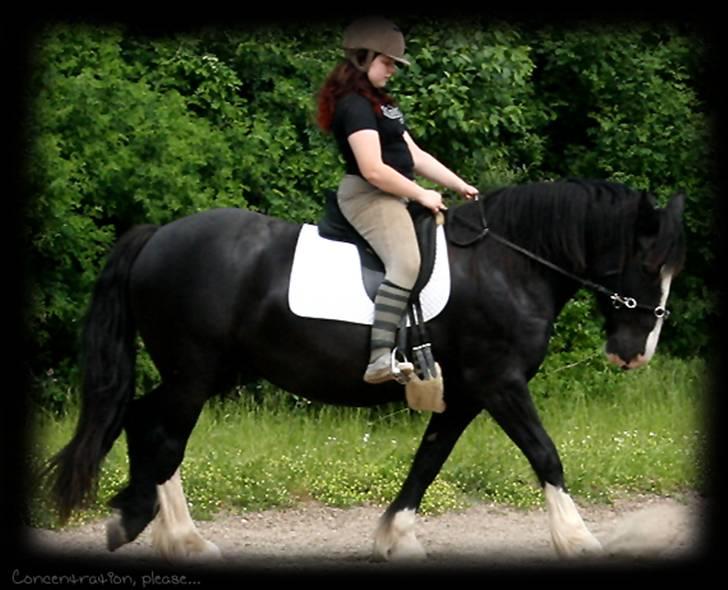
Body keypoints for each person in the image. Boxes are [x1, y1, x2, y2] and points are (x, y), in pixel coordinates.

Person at [316, 16, 479, 384]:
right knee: (406, 263)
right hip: (370, 197)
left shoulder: (381, 105)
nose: (392, 70)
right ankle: (378, 358)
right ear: (363, 58)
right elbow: (373, 169)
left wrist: (459, 184)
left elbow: (414, 155)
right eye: (387, 62)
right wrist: (421, 193)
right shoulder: (354, 106)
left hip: (393, 193)